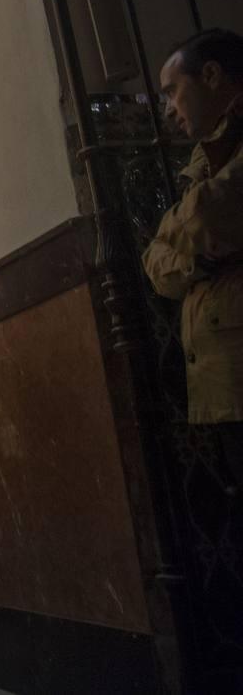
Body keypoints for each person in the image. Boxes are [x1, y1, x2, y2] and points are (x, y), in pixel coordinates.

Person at [142, 28, 243, 490]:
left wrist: (178, 236)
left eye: (172, 91)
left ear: (211, 75)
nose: (168, 108)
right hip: (221, 379)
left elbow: (208, 215)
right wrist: (191, 265)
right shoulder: (202, 161)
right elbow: (153, 258)